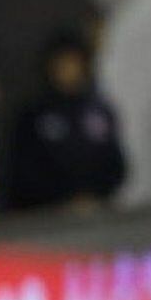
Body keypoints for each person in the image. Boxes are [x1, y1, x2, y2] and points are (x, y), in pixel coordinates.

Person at [8, 30, 126, 212]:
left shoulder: (99, 111)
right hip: (45, 214)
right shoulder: (33, 114)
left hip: (96, 210)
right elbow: (25, 169)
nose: (67, 69)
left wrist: (94, 195)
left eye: (73, 63)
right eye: (61, 63)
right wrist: (62, 199)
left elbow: (115, 164)